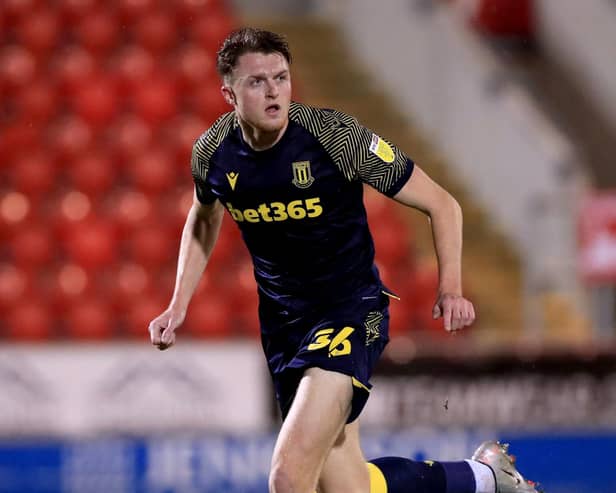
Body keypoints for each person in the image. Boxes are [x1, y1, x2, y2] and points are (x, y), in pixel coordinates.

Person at [148, 27, 540, 493]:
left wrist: (450, 286)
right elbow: (204, 218)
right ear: (228, 92)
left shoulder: (334, 138)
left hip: (351, 311)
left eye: (281, 77)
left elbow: (443, 204)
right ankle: (483, 478)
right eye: (257, 82)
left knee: (288, 477)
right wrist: (178, 304)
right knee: (349, 487)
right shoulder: (213, 153)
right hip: (283, 327)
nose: (274, 91)